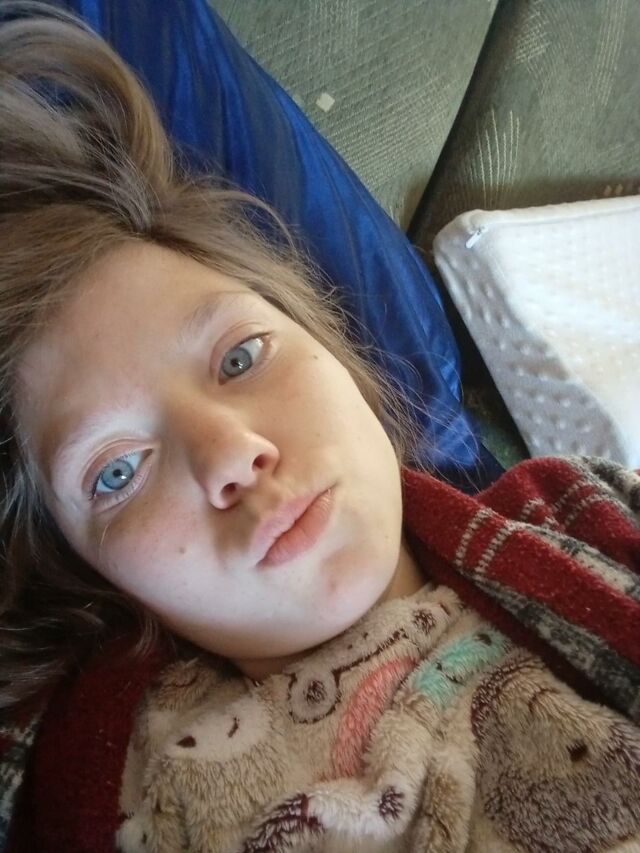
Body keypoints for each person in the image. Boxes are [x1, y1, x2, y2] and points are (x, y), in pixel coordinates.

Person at [0, 6, 638, 853]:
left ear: (332, 349)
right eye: (117, 471)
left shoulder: (590, 510)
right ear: (91, 574)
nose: (234, 452)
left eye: (240, 357)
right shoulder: (103, 779)